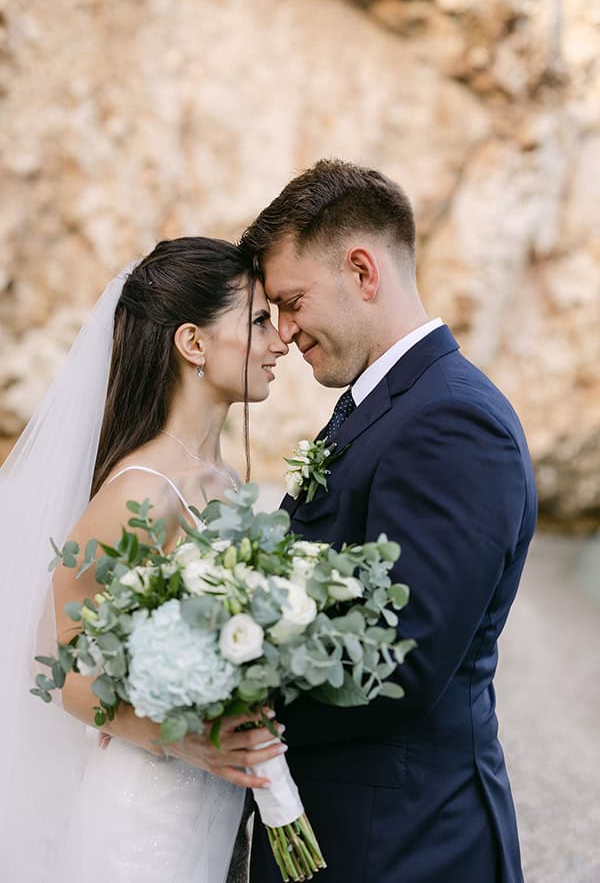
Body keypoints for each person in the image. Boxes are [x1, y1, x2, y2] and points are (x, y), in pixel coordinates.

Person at [241, 159, 536, 883]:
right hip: (358, 830)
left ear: (362, 271)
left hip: (405, 843)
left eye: (292, 301)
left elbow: (404, 661)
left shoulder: (452, 419)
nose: (285, 331)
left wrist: (236, 702)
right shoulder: (382, 406)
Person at [0, 237, 288, 882]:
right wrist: (180, 738)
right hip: (145, 820)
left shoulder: (227, 483)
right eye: (258, 322)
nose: (280, 342)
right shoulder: (143, 491)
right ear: (193, 343)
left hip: (218, 809)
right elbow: (54, 661)